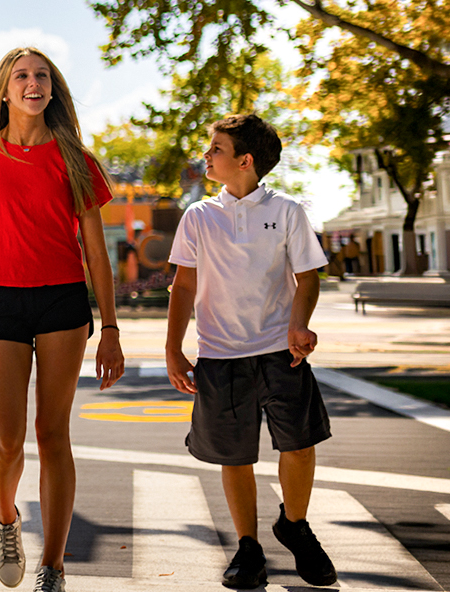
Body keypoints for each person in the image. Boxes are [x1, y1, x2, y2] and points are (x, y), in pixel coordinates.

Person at [0, 47, 124, 592]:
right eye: (21, 76)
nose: (33, 83)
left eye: (41, 75)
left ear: (52, 88)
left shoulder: (77, 160)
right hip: (1, 301)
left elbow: (97, 253)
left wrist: (112, 327)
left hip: (63, 303)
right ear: (5, 91)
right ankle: (6, 520)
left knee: (53, 433)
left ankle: (54, 567)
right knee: (6, 440)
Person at [164, 114, 336, 590]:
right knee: (235, 455)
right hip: (219, 355)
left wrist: (299, 324)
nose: (207, 156)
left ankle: (295, 526)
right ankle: (248, 547)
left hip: (281, 351)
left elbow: (308, 276)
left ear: (245, 160)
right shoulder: (198, 216)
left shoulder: (287, 212)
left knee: (299, 446)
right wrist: (173, 348)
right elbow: (184, 285)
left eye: (216, 148)